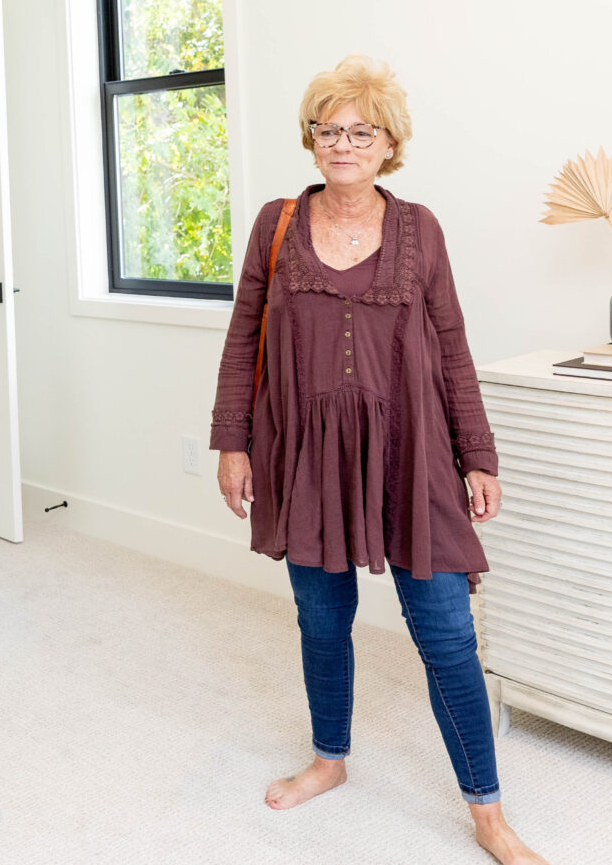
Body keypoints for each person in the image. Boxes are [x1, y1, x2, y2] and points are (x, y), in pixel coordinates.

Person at [208, 54, 548, 865]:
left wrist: (478, 455)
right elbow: (243, 336)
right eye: (328, 130)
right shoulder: (276, 223)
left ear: (391, 143)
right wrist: (232, 441)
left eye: (363, 132)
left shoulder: (420, 228)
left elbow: (452, 346)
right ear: (311, 139)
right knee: (323, 623)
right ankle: (330, 759)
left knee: (447, 636)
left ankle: (488, 812)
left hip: (411, 453)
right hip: (307, 455)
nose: (344, 144)